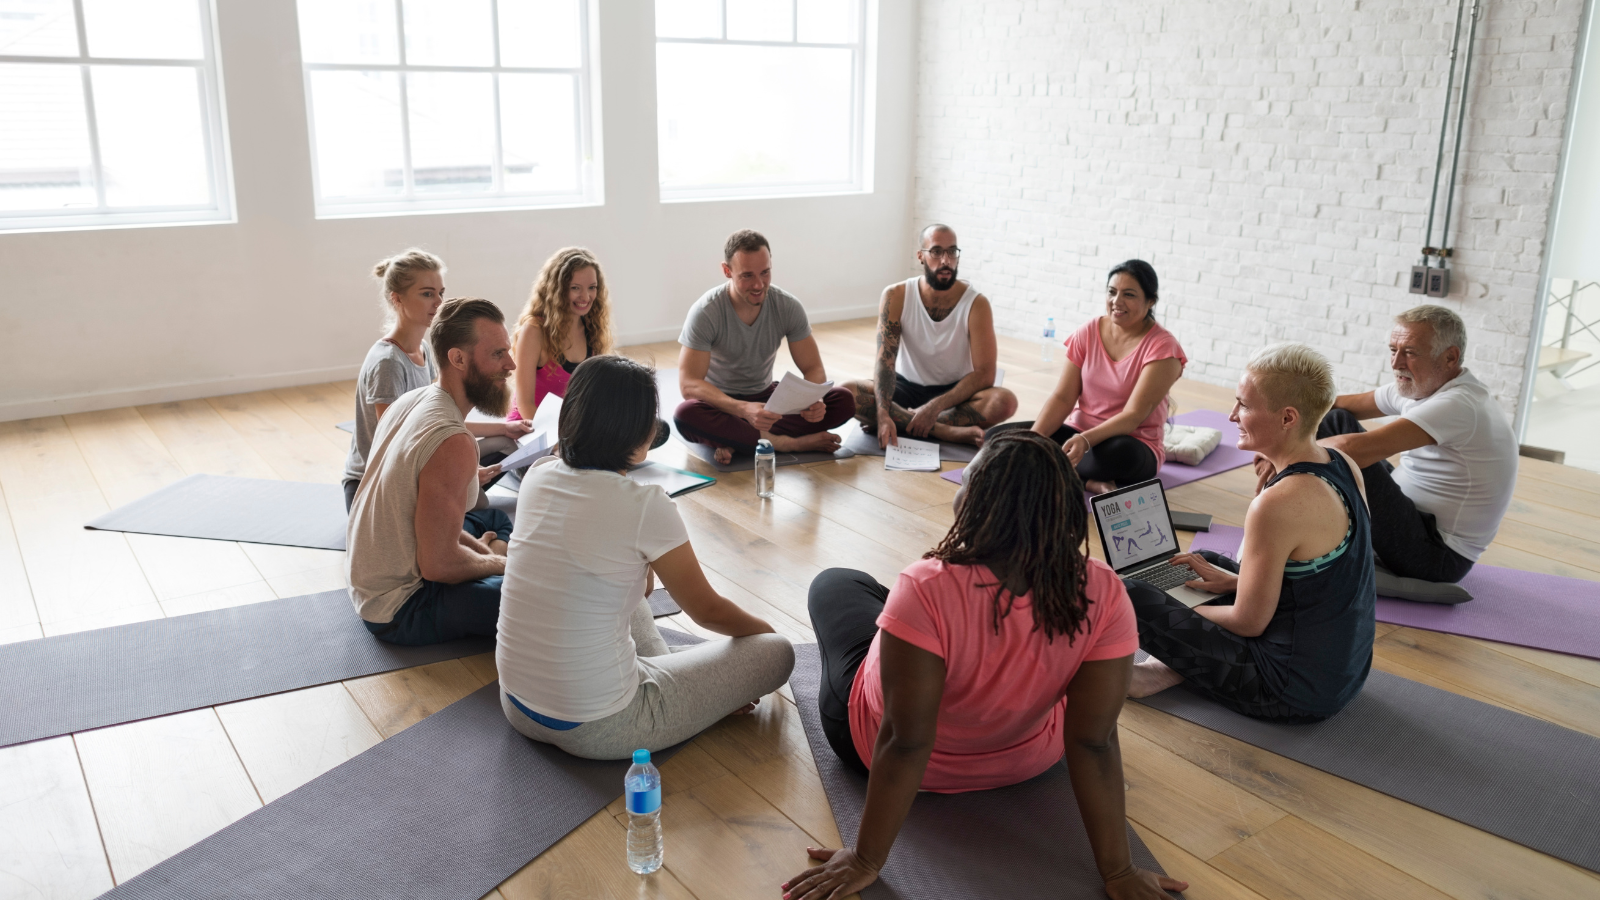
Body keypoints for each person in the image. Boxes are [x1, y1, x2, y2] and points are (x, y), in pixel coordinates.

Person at [786, 430, 1186, 900]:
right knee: (896, 612)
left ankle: (898, 636)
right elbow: (1093, 742)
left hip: (873, 747)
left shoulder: (926, 585)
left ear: (979, 503)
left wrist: (866, 858)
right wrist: (1118, 871)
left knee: (836, 582)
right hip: (1027, 760)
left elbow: (905, 739)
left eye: (966, 481)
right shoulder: (1103, 590)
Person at [498, 354, 796, 759]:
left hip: (518, 705)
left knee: (609, 589)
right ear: (640, 432)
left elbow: (638, 589)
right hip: (602, 724)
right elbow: (706, 611)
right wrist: (765, 633)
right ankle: (698, 687)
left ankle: (690, 681)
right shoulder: (646, 504)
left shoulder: (538, 475)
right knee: (778, 654)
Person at [1127, 343, 1376, 722]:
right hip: (1343, 674)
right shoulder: (1342, 463)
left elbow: (1249, 622)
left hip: (1286, 689)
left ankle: (1155, 670)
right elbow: (1325, 585)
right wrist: (1230, 583)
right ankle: (1167, 669)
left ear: (1288, 417)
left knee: (1128, 592)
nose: (1231, 415)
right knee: (1200, 565)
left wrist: (1181, 607)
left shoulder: (1278, 503)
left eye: (1244, 405)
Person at [346, 298, 518, 646]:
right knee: (544, 594)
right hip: (400, 608)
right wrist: (502, 565)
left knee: (496, 521)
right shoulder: (451, 441)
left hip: (371, 580)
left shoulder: (414, 399)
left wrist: (483, 555)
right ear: (457, 359)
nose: (511, 364)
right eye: (498, 354)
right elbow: (438, 566)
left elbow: (430, 523)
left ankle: (491, 556)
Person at [1304, 305, 1516, 584]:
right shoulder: (1423, 384)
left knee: (1337, 452)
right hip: (1411, 517)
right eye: (1394, 350)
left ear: (1450, 357)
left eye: (1411, 352)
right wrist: (1279, 416)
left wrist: (1279, 454)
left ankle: (1298, 524)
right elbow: (1335, 406)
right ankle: (1310, 522)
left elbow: (1353, 449)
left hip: (1436, 555)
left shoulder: (1459, 404)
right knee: (1335, 419)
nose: (1396, 363)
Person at [342, 249, 529, 511]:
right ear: (397, 299)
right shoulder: (388, 363)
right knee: (483, 511)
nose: (438, 302)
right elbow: (395, 443)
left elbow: (438, 421)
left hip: (416, 461)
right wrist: (461, 471)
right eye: (427, 293)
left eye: (441, 292)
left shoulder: (425, 350)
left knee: (507, 441)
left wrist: (503, 428)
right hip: (376, 484)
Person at [996, 260, 1186, 494]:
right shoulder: (1088, 331)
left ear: (1151, 301)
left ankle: (1054, 468)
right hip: (1079, 434)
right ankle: (1085, 480)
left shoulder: (1164, 349)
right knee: (997, 439)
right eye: (1112, 292)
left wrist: (1086, 441)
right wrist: (1034, 439)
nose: (1117, 302)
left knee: (1114, 457)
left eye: (1129, 295)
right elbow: (1063, 397)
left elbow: (1133, 416)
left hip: (1129, 443)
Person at [674, 230, 857, 466]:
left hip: (767, 402)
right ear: (727, 271)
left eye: (765, 272)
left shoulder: (787, 306)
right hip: (721, 405)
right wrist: (743, 410)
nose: (759, 284)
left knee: (843, 400)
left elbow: (812, 367)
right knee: (686, 415)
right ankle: (788, 444)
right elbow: (689, 384)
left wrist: (815, 401)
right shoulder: (706, 312)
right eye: (747, 276)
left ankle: (739, 439)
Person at [845, 224, 1018, 447]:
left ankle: (904, 422)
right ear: (921, 256)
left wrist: (933, 408)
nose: (946, 260)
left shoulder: (976, 304)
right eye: (936, 252)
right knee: (847, 391)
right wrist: (881, 411)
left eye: (952, 251)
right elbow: (884, 360)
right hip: (904, 387)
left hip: (955, 395)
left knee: (1005, 402)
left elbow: (985, 374)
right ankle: (944, 431)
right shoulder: (895, 295)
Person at [509, 246, 667, 450]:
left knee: (656, 428)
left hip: (576, 426)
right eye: (575, 288)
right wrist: (560, 441)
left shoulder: (592, 327)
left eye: (592, 287)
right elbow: (525, 405)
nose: (586, 296)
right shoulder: (534, 330)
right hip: (535, 429)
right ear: (557, 290)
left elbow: (598, 393)